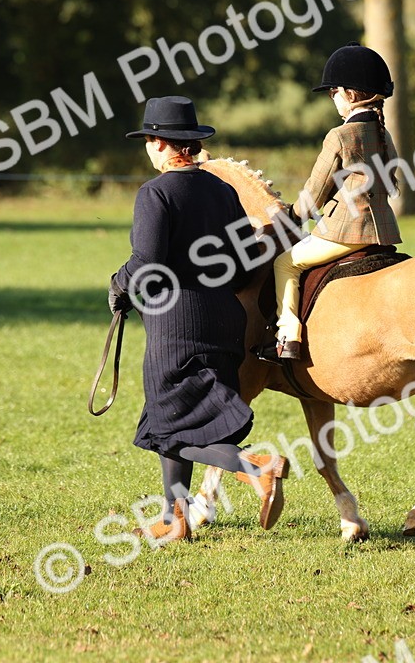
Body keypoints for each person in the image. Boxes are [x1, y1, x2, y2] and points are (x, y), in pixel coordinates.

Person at [109, 96, 289, 542]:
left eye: (150, 141)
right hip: (225, 319)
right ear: (190, 143)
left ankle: (256, 466)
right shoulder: (223, 191)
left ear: (158, 144)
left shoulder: (155, 193)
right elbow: (246, 263)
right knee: (167, 423)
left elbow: (146, 260)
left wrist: (118, 285)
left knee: (171, 423)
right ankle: (175, 520)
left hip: (176, 324)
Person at [261, 44, 403, 362]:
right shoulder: (383, 135)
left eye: (333, 91)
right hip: (385, 232)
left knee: (285, 262)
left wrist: (289, 218)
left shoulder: (339, 136)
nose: (332, 97)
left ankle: (288, 336)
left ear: (350, 94)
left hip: (345, 232)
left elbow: (315, 193)